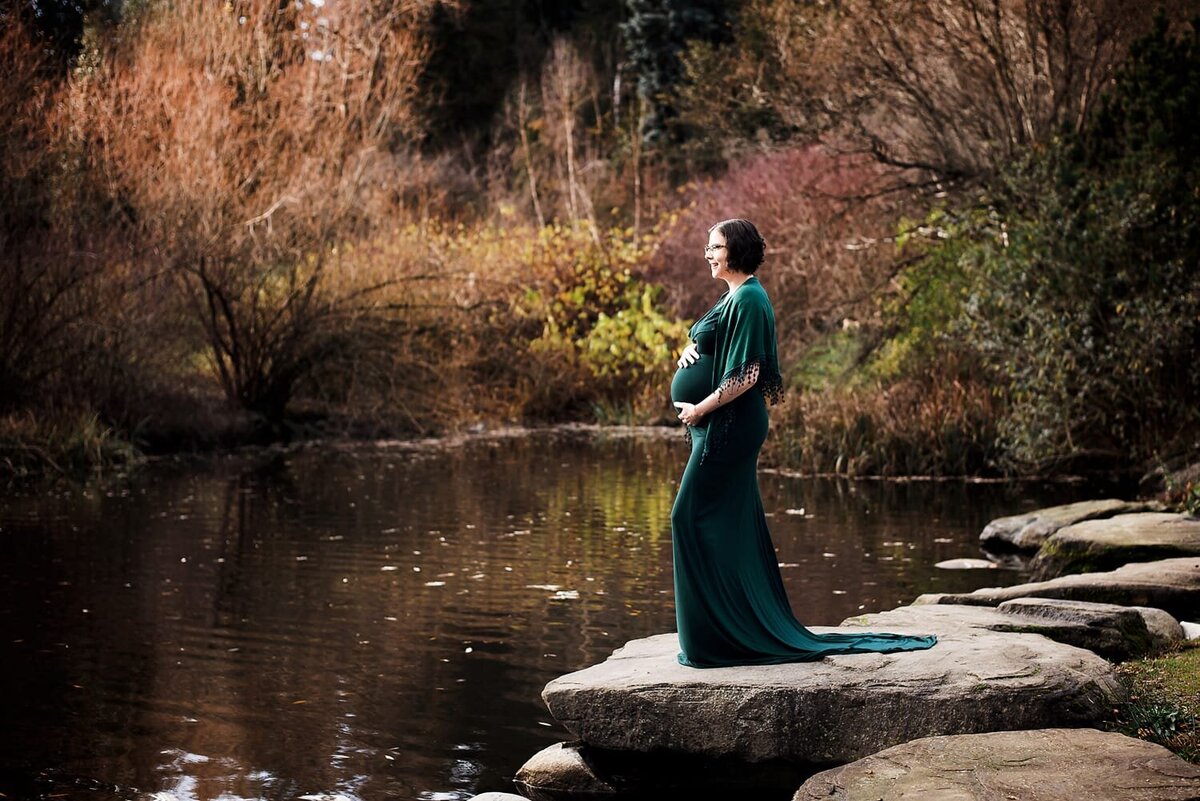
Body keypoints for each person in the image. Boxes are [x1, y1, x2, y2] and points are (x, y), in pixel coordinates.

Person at [668, 219, 937, 667]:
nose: (707, 253)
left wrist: (700, 409)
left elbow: (747, 375)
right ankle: (723, 630)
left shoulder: (751, 298)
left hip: (730, 425)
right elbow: (714, 345)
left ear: (735, 251)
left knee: (688, 517)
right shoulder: (734, 295)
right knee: (723, 523)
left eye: (714, 246)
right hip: (721, 423)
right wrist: (690, 350)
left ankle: (719, 635)